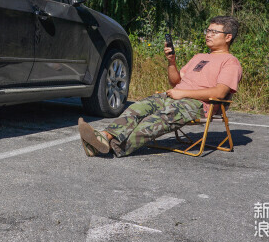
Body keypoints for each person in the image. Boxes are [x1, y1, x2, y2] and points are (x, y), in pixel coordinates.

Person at [78, 16, 243, 157]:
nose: (208, 35)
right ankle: (104, 137)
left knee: (154, 121)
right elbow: (176, 81)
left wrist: (183, 94)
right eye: (207, 31)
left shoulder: (230, 62)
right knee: (138, 108)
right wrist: (171, 62)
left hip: (198, 104)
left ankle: (110, 148)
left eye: (214, 32)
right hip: (173, 95)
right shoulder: (199, 57)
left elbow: (220, 92)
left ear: (228, 37)